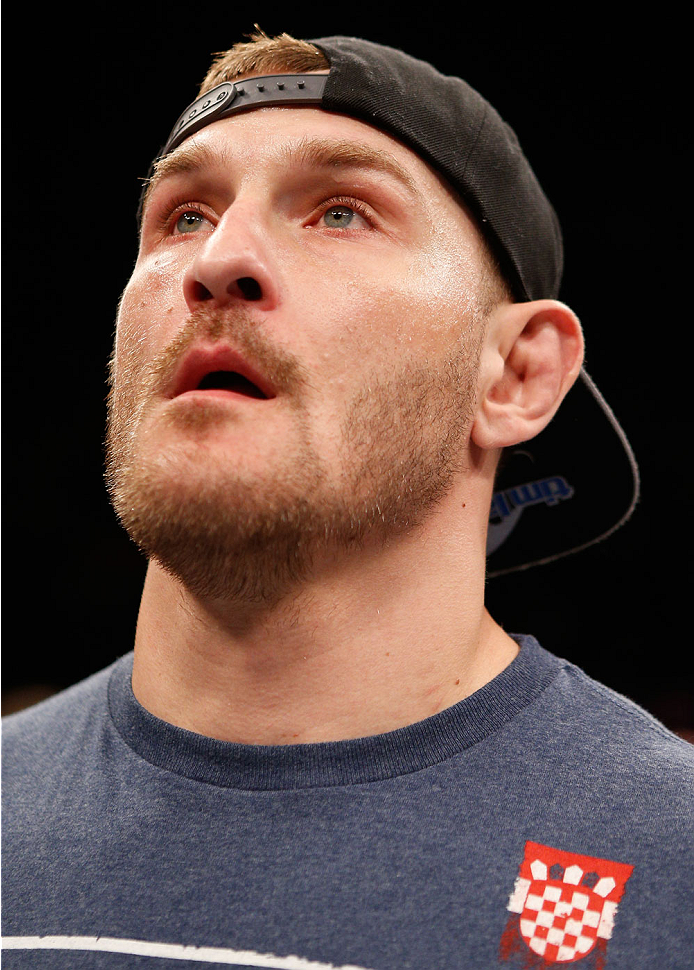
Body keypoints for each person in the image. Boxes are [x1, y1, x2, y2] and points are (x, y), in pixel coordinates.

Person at [2, 30, 691, 970]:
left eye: (339, 212)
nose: (219, 259)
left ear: (519, 373)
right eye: (184, 216)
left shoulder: (667, 858)